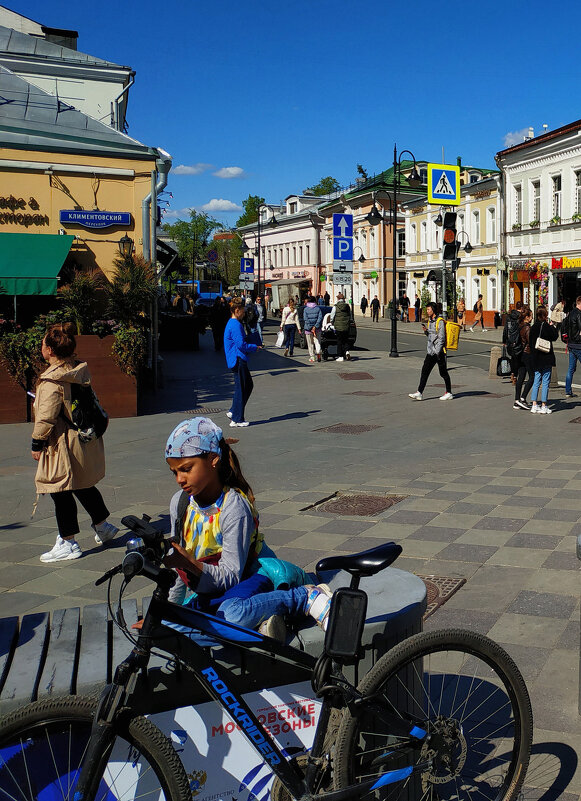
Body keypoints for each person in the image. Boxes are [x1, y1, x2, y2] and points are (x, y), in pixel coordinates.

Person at [163, 417, 333, 639]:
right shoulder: (181, 502)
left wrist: (191, 564)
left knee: (232, 616)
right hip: (210, 584)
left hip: (249, 575)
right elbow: (177, 567)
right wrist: (167, 611)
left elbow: (231, 576)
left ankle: (305, 597)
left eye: (186, 469)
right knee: (175, 625)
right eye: (174, 472)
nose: (179, 479)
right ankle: (263, 622)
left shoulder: (233, 506)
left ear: (213, 459)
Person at [31, 322, 118, 563]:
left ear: (50, 350)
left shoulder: (52, 381)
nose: (41, 348)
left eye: (43, 344)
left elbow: (46, 417)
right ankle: (103, 526)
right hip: (83, 438)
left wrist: (37, 444)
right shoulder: (78, 370)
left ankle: (68, 542)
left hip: (62, 443)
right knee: (83, 484)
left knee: (59, 489)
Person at [224, 298, 262, 427]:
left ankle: (234, 412)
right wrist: (254, 347)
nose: (244, 313)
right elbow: (241, 344)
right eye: (243, 311)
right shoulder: (235, 325)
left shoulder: (232, 323)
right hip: (238, 358)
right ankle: (237, 418)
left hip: (237, 358)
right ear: (237, 310)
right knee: (242, 387)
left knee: (246, 386)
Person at [409, 302, 453, 401]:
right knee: (425, 371)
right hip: (430, 351)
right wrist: (426, 331)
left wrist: (437, 352)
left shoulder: (440, 321)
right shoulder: (430, 321)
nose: (427, 311)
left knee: (443, 373)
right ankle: (419, 392)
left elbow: (441, 338)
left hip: (438, 352)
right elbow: (431, 336)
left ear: (433, 310)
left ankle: (449, 392)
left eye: (429, 309)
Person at [529, 306, 558, 414]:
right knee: (545, 381)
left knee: (536, 380)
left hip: (536, 357)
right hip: (546, 357)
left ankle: (534, 404)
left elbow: (530, 341)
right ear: (545, 315)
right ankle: (544, 405)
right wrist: (552, 326)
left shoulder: (533, 327)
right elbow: (555, 336)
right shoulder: (546, 326)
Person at [513, 306, 534, 410]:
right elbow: (531, 342)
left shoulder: (519, 325)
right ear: (527, 317)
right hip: (527, 353)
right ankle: (523, 398)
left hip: (520, 353)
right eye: (531, 316)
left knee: (521, 377)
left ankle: (516, 400)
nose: (532, 318)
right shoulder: (527, 328)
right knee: (532, 377)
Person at [563, 295, 581, 398]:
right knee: (571, 368)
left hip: (570, 344)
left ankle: (568, 391)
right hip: (579, 345)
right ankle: (568, 391)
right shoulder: (579, 314)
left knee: (571, 369)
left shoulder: (570, 314)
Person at [503, 301, 523, 385]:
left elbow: (506, 329)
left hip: (509, 341)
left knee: (513, 359)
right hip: (518, 341)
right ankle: (515, 376)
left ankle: (512, 374)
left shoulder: (509, 317)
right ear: (521, 308)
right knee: (518, 360)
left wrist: (504, 341)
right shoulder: (520, 317)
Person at [330, 293, 351, 361]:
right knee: (345, 340)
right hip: (346, 326)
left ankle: (340, 356)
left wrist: (331, 322)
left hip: (338, 326)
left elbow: (332, 316)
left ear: (338, 299)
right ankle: (347, 351)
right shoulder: (347, 306)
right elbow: (349, 315)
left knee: (339, 341)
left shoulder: (335, 307)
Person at [303, 295, 323, 363]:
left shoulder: (306, 309)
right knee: (317, 341)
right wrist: (315, 326)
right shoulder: (318, 308)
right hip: (317, 329)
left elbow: (305, 319)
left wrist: (310, 327)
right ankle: (318, 351)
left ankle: (312, 356)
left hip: (308, 330)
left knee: (310, 343)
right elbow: (320, 318)